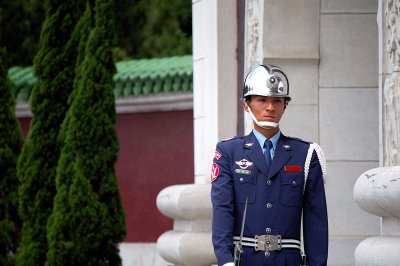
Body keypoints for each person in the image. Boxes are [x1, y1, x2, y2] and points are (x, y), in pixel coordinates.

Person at [210, 64, 328, 266]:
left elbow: (316, 221)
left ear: (285, 105)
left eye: (277, 100)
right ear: (246, 104)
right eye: (262, 100)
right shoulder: (228, 152)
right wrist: (226, 260)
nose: (270, 107)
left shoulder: (307, 154)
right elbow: (222, 210)